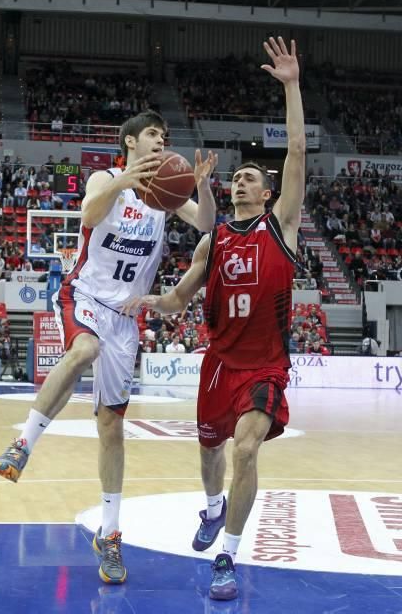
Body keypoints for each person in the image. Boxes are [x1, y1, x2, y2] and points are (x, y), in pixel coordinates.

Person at [0, 109, 217, 583]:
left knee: (112, 428)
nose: (162, 141)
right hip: (85, 295)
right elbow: (89, 213)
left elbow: (208, 226)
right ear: (131, 141)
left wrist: (202, 185)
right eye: (154, 134)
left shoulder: (166, 193)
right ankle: (21, 445)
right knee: (83, 350)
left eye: (165, 136)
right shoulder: (105, 176)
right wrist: (123, 182)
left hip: (126, 319)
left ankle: (109, 535)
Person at [128, 38, 305, 601]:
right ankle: (212, 509)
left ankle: (227, 556)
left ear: (269, 191)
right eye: (238, 177)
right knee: (209, 453)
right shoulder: (215, 238)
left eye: (251, 177)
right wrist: (157, 302)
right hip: (219, 363)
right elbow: (181, 298)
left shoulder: (282, 227)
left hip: (264, 368)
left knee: (246, 450)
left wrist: (291, 86)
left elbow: (297, 150)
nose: (240, 181)